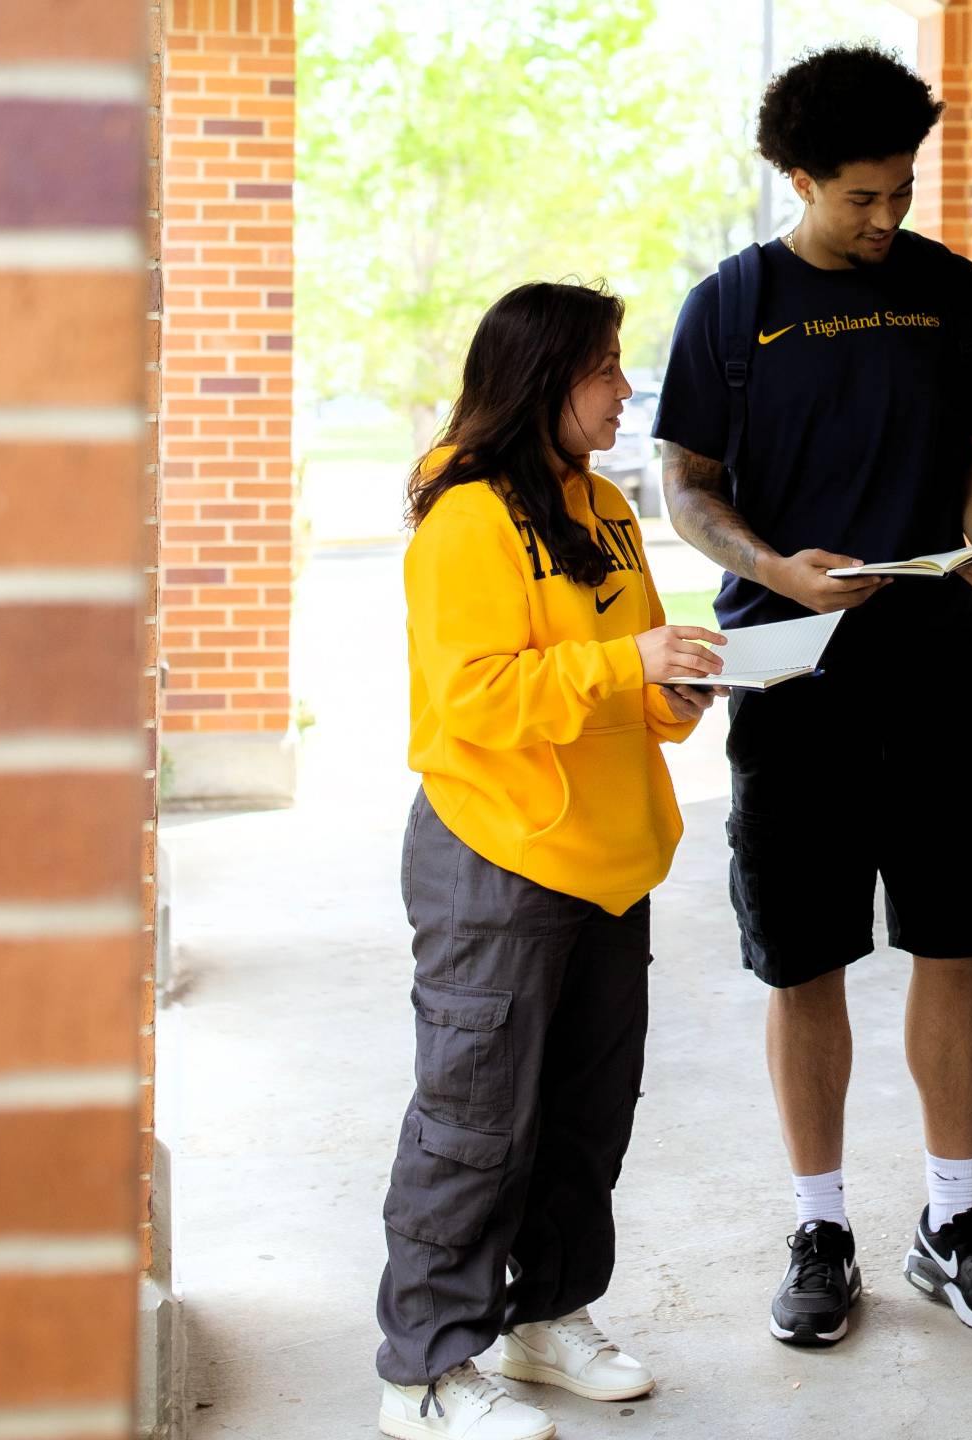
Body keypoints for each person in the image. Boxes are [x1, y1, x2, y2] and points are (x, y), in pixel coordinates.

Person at [652, 43, 972, 1347]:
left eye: (903, 192)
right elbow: (687, 483)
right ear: (801, 176)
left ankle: (953, 1220)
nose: (889, 219)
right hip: (788, 679)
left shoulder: (944, 288)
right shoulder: (731, 305)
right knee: (804, 958)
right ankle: (820, 1227)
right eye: (863, 197)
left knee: (955, 941)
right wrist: (774, 569)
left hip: (934, 669)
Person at [375, 280, 725, 1440]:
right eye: (607, 368)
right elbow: (467, 701)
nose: (627, 389)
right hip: (500, 856)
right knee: (473, 1123)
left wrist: (679, 689)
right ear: (545, 378)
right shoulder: (468, 516)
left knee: (585, 1115)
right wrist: (626, 668)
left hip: (610, 859)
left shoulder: (602, 504)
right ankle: (425, 1369)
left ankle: (547, 1316)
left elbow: (629, 666)